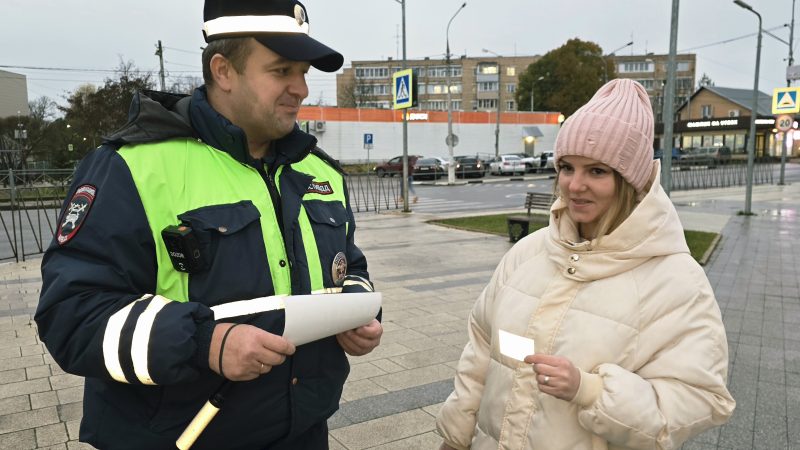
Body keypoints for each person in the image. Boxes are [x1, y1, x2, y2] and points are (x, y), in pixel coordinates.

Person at [34, 1, 382, 449]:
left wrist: (357, 308)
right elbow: (71, 314)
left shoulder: (320, 172)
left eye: (303, 72)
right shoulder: (132, 167)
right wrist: (206, 343)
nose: (301, 89)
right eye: (282, 71)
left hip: (304, 433)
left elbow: (349, 266)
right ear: (223, 71)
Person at [436, 79, 735, 449]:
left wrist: (590, 391)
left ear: (630, 181)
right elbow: (484, 349)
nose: (575, 185)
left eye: (596, 171)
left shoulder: (677, 281)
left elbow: (702, 399)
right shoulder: (527, 253)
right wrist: (456, 436)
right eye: (567, 167)